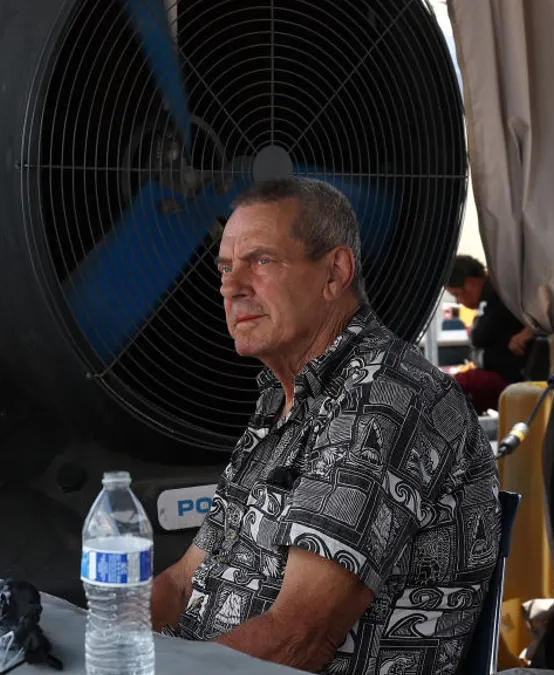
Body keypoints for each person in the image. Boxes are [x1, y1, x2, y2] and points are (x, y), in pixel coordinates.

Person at [150, 178, 501, 673]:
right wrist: (101, 635)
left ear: (335, 272)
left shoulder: (387, 398)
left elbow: (298, 641)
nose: (229, 286)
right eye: (226, 267)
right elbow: (184, 582)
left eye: (262, 260)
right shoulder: (283, 401)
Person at [445, 255, 534, 413]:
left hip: (510, 380)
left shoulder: (501, 297)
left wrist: (528, 332)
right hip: (499, 376)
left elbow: (481, 336)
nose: (458, 302)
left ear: (471, 283)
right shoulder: (490, 300)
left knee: (451, 389)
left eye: (457, 294)